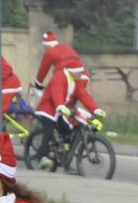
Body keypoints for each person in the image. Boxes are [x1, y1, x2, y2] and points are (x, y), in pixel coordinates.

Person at [31, 30, 101, 165]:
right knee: (57, 120)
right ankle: (50, 153)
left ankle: (65, 145)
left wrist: (38, 84)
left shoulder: (51, 54)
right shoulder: (66, 49)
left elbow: (43, 69)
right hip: (78, 76)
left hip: (72, 76)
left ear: (46, 45)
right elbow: (65, 93)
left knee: (66, 113)